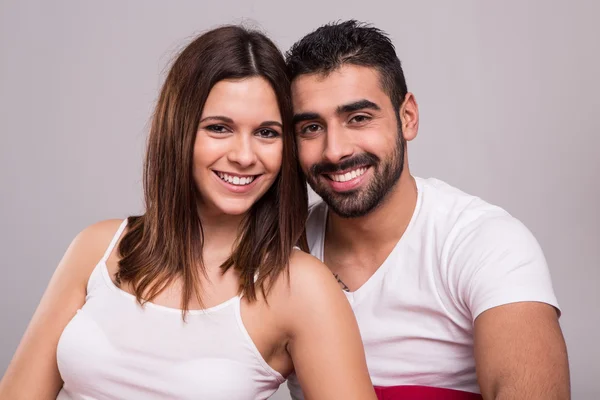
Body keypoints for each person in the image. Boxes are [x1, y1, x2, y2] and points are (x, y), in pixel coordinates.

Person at [0, 25, 377, 400]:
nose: (244, 156)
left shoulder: (302, 286)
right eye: (218, 128)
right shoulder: (98, 247)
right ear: (178, 130)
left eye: (267, 133)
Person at [285, 20, 570, 400]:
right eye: (311, 127)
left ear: (408, 118)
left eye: (359, 118)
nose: (335, 150)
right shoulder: (282, 250)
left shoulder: (485, 242)